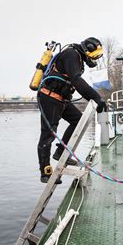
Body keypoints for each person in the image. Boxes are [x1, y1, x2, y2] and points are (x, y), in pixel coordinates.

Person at [37, 37, 107, 184]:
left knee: (78, 120)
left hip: (61, 99)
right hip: (49, 97)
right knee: (48, 134)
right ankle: (45, 171)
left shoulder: (78, 59)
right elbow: (76, 80)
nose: (93, 60)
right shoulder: (72, 54)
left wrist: (96, 99)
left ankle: (61, 152)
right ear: (87, 50)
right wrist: (96, 97)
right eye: (94, 56)